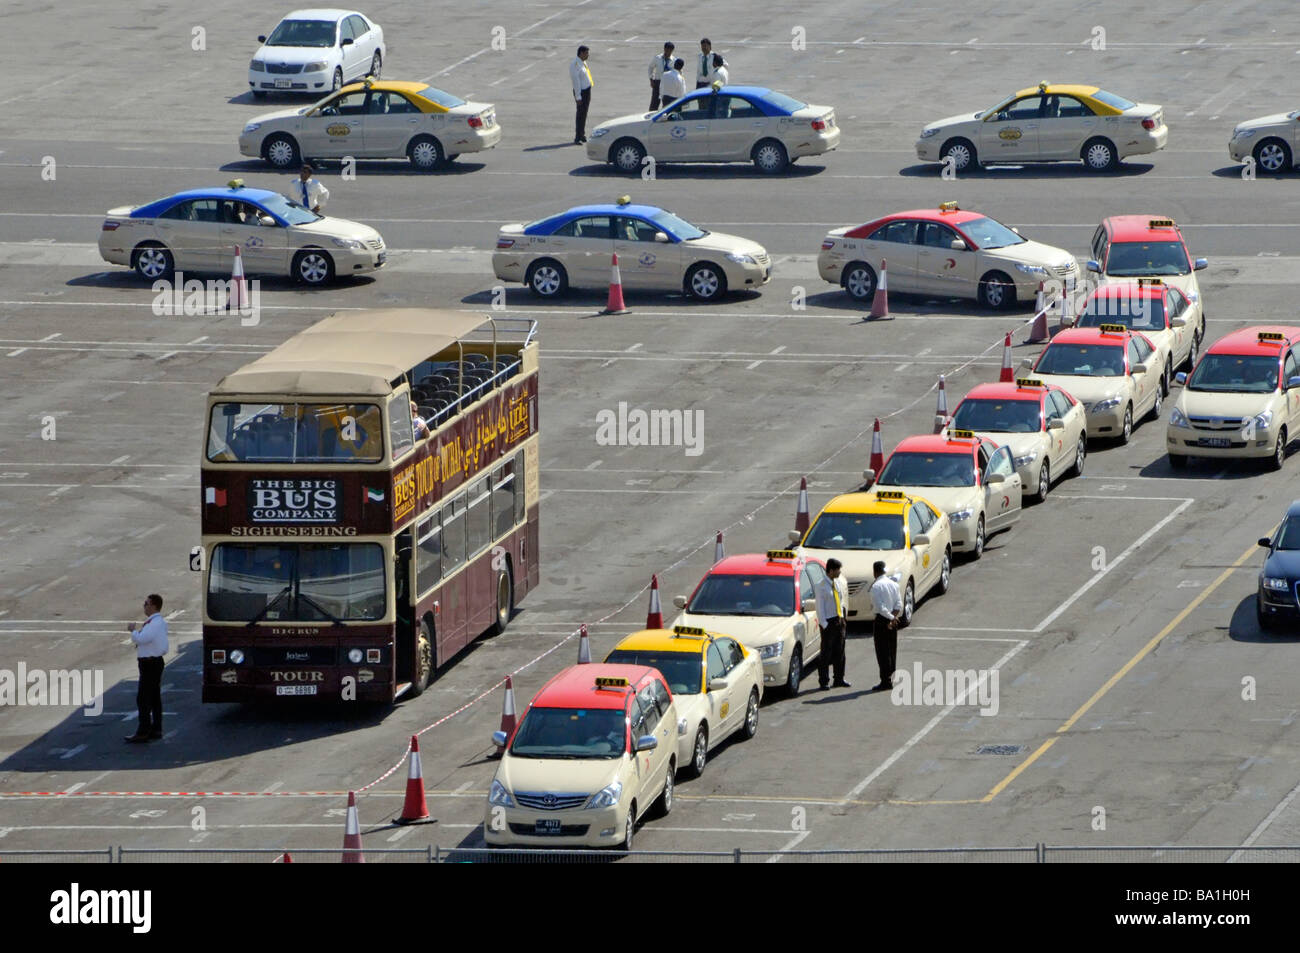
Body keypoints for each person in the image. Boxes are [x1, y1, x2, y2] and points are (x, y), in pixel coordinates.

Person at [125, 594, 169, 743]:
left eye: (146, 603)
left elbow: (142, 639)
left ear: (154, 606)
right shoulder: (156, 622)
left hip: (150, 664)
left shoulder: (155, 623)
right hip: (153, 662)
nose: (144, 606)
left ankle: (144, 731)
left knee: (143, 698)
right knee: (154, 697)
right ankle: (156, 729)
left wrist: (133, 631)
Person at [869, 561, 904, 691]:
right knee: (891, 649)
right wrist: (893, 618)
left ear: (874, 572)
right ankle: (890, 676)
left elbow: (880, 607)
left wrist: (889, 618)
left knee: (882, 651)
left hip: (882, 621)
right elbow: (898, 604)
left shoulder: (876, 587)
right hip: (893, 621)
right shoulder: (894, 584)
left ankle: (885, 681)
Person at [815, 558, 850, 689]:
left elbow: (839, 601)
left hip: (839, 619)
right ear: (831, 570)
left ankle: (839, 678)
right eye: (837, 570)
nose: (839, 572)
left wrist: (842, 619)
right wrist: (824, 624)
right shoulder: (821, 586)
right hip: (828, 622)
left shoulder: (837, 583)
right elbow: (819, 607)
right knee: (826, 652)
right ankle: (824, 681)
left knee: (840, 651)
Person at [570, 45, 593, 144]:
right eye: (586, 53)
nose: (588, 55)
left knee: (584, 114)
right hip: (581, 93)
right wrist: (578, 97)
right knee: (580, 115)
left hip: (586, 91)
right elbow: (576, 82)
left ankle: (582, 134)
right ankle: (577, 137)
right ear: (581, 53)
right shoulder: (575, 65)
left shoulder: (582, 62)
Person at [648, 41, 674, 111]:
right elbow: (650, 67)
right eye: (666, 49)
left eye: (670, 50)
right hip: (658, 82)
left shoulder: (674, 60)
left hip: (668, 84)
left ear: (672, 50)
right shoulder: (658, 58)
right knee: (654, 103)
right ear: (664, 49)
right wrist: (651, 79)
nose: (668, 51)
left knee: (667, 103)